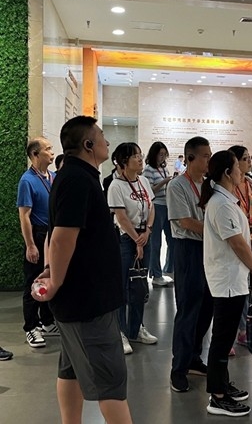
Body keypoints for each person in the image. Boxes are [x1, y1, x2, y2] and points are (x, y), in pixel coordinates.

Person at [32, 115, 132, 423]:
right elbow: (62, 237)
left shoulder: (75, 176)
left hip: (80, 298)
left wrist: (52, 271)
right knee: (111, 383)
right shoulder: (77, 179)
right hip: (88, 302)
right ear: (88, 144)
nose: (107, 142)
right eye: (101, 137)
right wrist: (55, 281)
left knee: (71, 368)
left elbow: (57, 233)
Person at [200, 150, 252, 416]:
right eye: (238, 167)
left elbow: (242, 239)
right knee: (222, 338)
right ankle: (217, 396)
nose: (242, 171)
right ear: (227, 172)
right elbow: (236, 243)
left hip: (233, 278)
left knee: (224, 337)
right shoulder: (222, 204)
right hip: (226, 280)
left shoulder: (226, 200)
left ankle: (223, 384)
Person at [168, 136, 213, 393]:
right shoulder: (177, 185)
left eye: (210, 156)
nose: (209, 160)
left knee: (207, 307)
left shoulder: (209, 184)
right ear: (190, 158)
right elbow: (185, 221)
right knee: (188, 308)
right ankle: (179, 368)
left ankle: (195, 357)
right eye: (205, 156)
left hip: (209, 249)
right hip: (188, 249)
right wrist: (217, 231)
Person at [107, 142, 158, 355]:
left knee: (140, 285)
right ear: (123, 161)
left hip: (144, 236)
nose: (140, 158)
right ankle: (120, 331)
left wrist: (147, 231)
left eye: (140, 154)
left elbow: (151, 207)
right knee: (122, 286)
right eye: (135, 155)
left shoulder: (143, 181)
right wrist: (137, 239)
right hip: (126, 239)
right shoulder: (116, 186)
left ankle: (137, 328)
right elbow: (121, 217)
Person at [16, 137, 58, 348]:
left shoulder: (53, 177)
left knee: (50, 278)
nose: (52, 152)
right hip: (38, 234)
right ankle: (31, 327)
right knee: (34, 282)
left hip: (53, 234)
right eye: (47, 149)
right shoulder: (27, 180)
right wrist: (31, 244)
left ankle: (47, 321)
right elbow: (24, 215)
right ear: (35, 154)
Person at [228, 146, 252, 351]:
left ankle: (243, 330)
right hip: (236, 245)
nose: (249, 161)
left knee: (248, 288)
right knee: (233, 292)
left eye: (250, 157)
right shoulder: (227, 188)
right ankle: (228, 335)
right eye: (244, 158)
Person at [143, 141, 175, 286]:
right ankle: (156, 274)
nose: (162, 157)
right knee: (156, 242)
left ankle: (169, 269)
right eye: (160, 154)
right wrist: (164, 182)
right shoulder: (149, 170)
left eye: (164, 155)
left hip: (167, 205)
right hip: (156, 206)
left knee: (172, 239)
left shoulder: (164, 169)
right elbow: (149, 191)